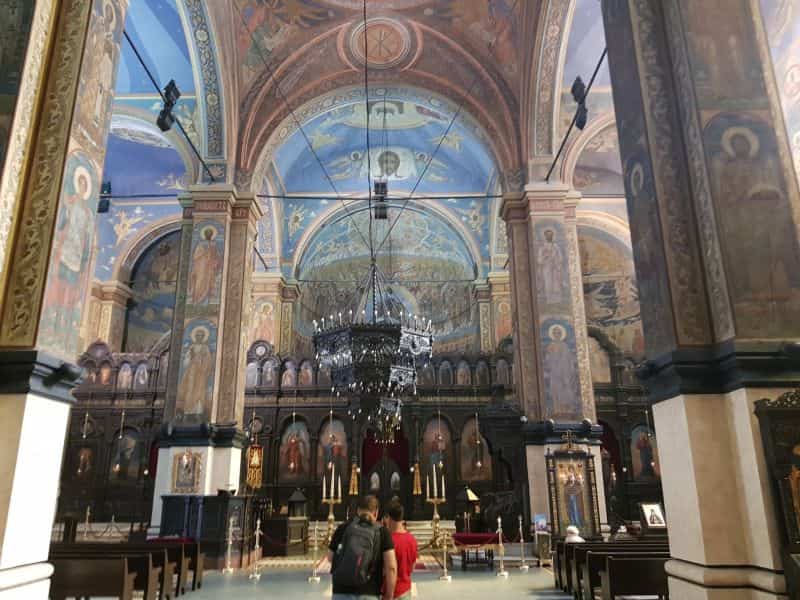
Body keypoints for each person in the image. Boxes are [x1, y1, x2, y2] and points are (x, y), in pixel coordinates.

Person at [328, 495, 397, 600]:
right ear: (376, 512)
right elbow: (391, 567)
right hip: (369, 592)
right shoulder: (382, 532)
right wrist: (389, 595)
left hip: (341, 591)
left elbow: (330, 557)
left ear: (358, 510)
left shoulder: (342, 528)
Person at [384, 501, 417, 600]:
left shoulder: (388, 540)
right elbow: (412, 566)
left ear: (388, 518)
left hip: (390, 591)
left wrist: (389, 595)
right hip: (406, 590)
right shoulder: (412, 539)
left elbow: (389, 569)